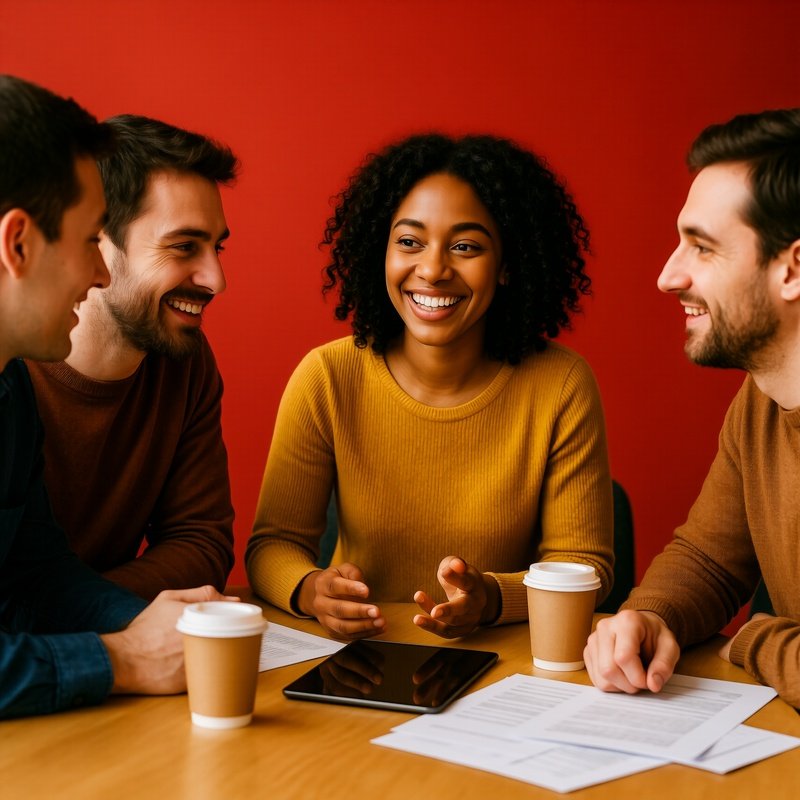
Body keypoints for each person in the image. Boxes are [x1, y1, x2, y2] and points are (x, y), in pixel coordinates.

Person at [246, 134, 614, 640]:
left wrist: (489, 599)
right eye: (409, 241)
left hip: (504, 665)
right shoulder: (328, 377)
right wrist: (311, 589)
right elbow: (273, 545)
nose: (434, 270)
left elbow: (584, 566)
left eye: (465, 246)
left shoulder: (561, 384)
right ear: (382, 249)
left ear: (508, 264)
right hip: (359, 657)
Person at [0, 74, 232, 720]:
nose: (99, 273)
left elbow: (37, 575)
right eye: (86, 242)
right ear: (17, 244)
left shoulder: (9, 388)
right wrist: (121, 658)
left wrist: (164, 628)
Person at [584, 108, 800, 708]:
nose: (667, 276)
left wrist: (755, 637)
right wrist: (650, 617)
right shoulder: (762, 399)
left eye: (702, 248)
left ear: (794, 268)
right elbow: (708, 558)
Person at [25, 114, 238, 600]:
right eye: (184, 246)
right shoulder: (12, 364)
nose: (216, 280)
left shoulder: (185, 359)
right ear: (97, 242)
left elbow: (201, 542)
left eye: (216, 247)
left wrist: (91, 621)